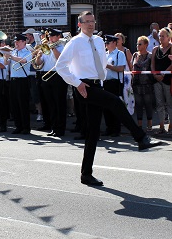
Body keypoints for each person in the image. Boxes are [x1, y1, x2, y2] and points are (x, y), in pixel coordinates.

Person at [56, 11, 162, 186]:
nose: (91, 24)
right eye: (87, 21)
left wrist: (102, 81)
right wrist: (77, 83)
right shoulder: (75, 43)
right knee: (114, 101)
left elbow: (101, 64)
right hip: (84, 86)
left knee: (93, 132)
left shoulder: (98, 41)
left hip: (97, 85)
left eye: (93, 21)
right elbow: (61, 66)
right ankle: (141, 137)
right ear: (79, 24)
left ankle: (86, 174)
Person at [34, 29, 68, 137]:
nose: (50, 38)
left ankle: (60, 128)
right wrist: (38, 57)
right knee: (50, 103)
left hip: (58, 76)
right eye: (49, 36)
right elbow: (39, 63)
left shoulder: (63, 47)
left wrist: (53, 48)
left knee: (59, 103)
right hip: (46, 75)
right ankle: (52, 126)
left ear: (58, 36)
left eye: (53, 36)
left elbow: (60, 59)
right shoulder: (45, 48)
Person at [4, 33, 31, 134]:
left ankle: (26, 127)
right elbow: (6, 64)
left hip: (23, 80)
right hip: (13, 80)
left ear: (24, 42)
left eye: (18, 41)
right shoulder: (13, 52)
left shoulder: (27, 52)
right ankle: (18, 126)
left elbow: (24, 61)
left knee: (23, 104)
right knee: (14, 104)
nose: (16, 43)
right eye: (15, 41)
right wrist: (6, 56)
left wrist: (11, 56)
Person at [101, 35, 126, 137]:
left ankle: (116, 129)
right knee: (106, 107)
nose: (106, 45)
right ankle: (109, 128)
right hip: (106, 82)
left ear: (115, 43)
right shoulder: (105, 54)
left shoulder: (119, 54)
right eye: (105, 43)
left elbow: (120, 68)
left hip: (114, 82)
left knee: (115, 106)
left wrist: (108, 66)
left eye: (108, 43)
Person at [150, 27, 172, 134]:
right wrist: (155, 74)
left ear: (168, 37)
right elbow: (152, 63)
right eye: (159, 36)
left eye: (163, 36)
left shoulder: (171, 48)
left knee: (169, 103)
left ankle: (171, 126)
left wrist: (163, 73)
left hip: (168, 80)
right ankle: (161, 126)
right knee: (159, 104)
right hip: (157, 80)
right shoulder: (155, 49)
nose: (161, 38)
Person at [132, 36, 154, 131]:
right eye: (137, 43)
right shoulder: (135, 55)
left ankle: (150, 123)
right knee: (138, 104)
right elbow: (131, 67)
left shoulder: (150, 56)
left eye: (140, 44)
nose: (138, 46)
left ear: (146, 45)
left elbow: (152, 67)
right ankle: (139, 125)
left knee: (148, 104)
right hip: (137, 84)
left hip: (147, 83)